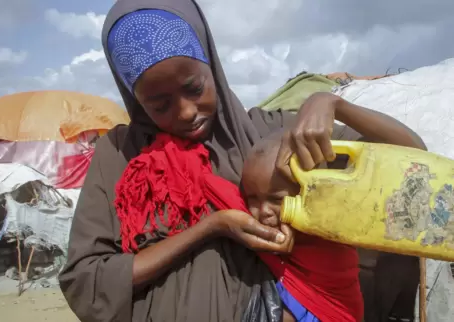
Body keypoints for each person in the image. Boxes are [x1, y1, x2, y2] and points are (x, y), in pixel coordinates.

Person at [58, 1, 426, 321]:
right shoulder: (121, 155)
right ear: (135, 99)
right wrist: (210, 227)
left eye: (194, 88)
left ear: (211, 66)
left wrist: (333, 103)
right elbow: (87, 282)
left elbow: (411, 156)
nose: (186, 112)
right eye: (160, 105)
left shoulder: (270, 134)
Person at [241, 131, 362, 322]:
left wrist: (335, 105)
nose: (263, 211)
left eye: (277, 199)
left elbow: (410, 146)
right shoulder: (252, 237)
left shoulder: (332, 237)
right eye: (252, 198)